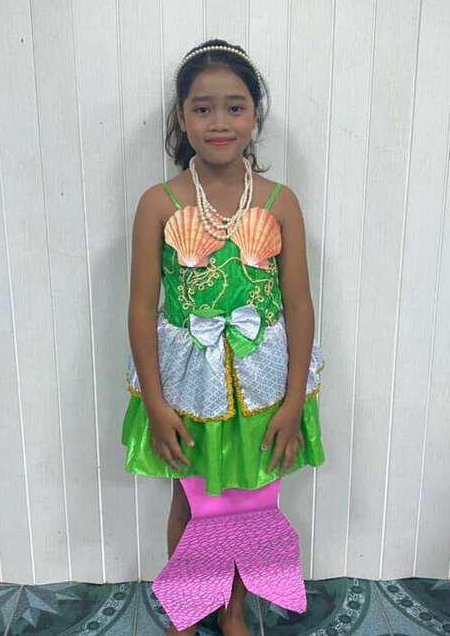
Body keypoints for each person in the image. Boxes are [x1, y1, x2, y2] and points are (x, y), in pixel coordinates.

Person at [121, 38, 326, 635]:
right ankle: (188, 610)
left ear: (254, 115)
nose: (219, 122)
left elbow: (299, 304)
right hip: (189, 383)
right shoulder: (158, 204)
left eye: (235, 107)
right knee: (190, 498)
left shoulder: (281, 203)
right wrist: (155, 404)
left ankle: (232, 609)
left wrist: (293, 400)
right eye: (203, 108)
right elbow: (141, 308)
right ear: (182, 117)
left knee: (249, 500)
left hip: (262, 384)